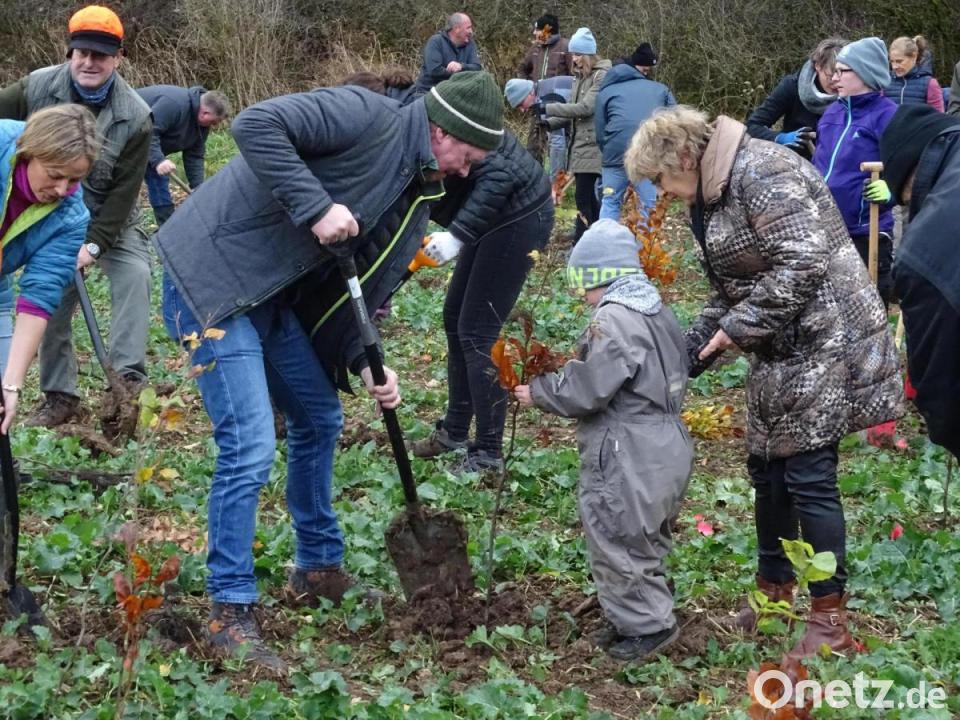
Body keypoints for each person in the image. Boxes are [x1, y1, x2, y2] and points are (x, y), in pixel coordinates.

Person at [155, 71, 504, 672]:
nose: (465, 172)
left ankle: (316, 568)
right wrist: (316, 207)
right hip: (210, 280)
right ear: (442, 133)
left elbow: (349, 286)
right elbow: (256, 124)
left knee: (319, 418)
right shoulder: (365, 116)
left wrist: (363, 360)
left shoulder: (415, 194)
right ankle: (228, 608)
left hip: (268, 295)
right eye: (468, 157)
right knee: (250, 443)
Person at [626, 105, 901, 660]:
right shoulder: (715, 192)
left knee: (808, 475)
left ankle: (830, 619)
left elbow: (803, 263)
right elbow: (731, 290)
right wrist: (684, 355)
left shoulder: (763, 171)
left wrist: (735, 330)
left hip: (829, 336)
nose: (664, 193)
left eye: (661, 179)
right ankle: (774, 594)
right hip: (783, 345)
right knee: (769, 472)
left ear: (684, 156)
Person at [514, 219, 693, 662]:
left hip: (627, 447)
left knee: (617, 533)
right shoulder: (655, 309)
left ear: (602, 275)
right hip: (667, 441)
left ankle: (649, 628)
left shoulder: (614, 318)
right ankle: (637, 613)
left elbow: (591, 386)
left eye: (585, 284)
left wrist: (540, 391)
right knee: (645, 534)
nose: (583, 295)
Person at [0, 5, 153, 428]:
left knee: (135, 276)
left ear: (117, 58)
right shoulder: (36, 86)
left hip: (105, 218)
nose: (88, 62)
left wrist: (93, 244)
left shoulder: (136, 115)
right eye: (82, 53)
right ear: (71, 53)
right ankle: (59, 395)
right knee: (58, 294)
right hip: (34, 205)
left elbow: (124, 193)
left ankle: (126, 382)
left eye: (100, 55)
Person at [411, 122, 553, 473]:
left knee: (477, 331)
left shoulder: (447, 120)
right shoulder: (406, 122)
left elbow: (501, 175)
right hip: (490, 215)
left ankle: (488, 452)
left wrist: (458, 235)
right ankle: (455, 430)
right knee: (454, 316)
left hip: (519, 214)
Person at [0, 105, 98, 431]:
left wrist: (11, 384)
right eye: (55, 175)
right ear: (29, 153)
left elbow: (39, 295)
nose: (61, 189)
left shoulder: (70, 216)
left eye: (74, 179)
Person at [880, 105, 960, 459]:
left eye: (905, 198)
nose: (910, 206)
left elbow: (940, 383)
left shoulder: (925, 250)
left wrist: (944, 428)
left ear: (912, 173)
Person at [812, 37, 898, 306]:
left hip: (866, 232)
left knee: (868, 309)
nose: (834, 78)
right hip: (826, 229)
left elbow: (907, 171)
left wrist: (890, 191)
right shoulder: (831, 114)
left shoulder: (888, 116)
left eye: (842, 71)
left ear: (864, 73)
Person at [541, 27, 610, 242]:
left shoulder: (601, 76)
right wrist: (546, 123)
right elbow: (571, 114)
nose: (575, 59)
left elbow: (585, 108)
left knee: (583, 199)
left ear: (588, 54)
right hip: (579, 146)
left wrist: (548, 108)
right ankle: (596, 238)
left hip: (592, 145)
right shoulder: (579, 77)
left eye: (578, 54)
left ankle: (581, 242)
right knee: (588, 199)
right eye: (573, 54)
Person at [595, 42, 676, 221]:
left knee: (610, 202)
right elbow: (675, 122)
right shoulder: (661, 90)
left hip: (615, 154)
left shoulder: (606, 91)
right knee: (648, 204)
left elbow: (600, 131)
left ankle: (604, 238)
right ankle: (644, 240)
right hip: (646, 154)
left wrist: (608, 151)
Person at [136, 85, 231, 225]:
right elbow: (147, 131)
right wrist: (159, 160)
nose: (214, 126)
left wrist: (198, 188)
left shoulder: (201, 125)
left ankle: (167, 227)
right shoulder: (173, 105)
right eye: (213, 122)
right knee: (121, 184)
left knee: (159, 177)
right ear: (205, 113)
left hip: (147, 145)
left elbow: (194, 156)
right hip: (122, 135)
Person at [746, 37, 846, 160]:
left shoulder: (855, 94)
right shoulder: (792, 86)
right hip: (794, 162)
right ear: (818, 66)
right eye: (830, 76)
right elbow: (752, 126)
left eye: (842, 75)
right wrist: (780, 138)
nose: (836, 81)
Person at [517, 14, 573, 163]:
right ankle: (535, 176)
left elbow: (574, 77)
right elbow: (522, 68)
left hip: (559, 109)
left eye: (538, 29)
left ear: (548, 30)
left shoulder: (566, 47)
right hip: (537, 107)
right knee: (532, 150)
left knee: (559, 148)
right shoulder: (536, 48)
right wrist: (527, 89)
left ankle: (558, 176)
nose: (534, 33)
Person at [413, 13, 481, 94]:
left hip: (455, 94)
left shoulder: (470, 44)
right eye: (468, 28)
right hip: (428, 92)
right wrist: (455, 71)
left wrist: (461, 66)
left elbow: (477, 68)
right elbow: (434, 71)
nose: (471, 31)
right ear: (457, 29)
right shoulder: (435, 42)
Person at [885, 36, 944, 111]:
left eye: (899, 61)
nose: (894, 67)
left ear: (914, 56)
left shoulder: (930, 84)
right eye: (892, 61)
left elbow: (938, 116)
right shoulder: (885, 82)